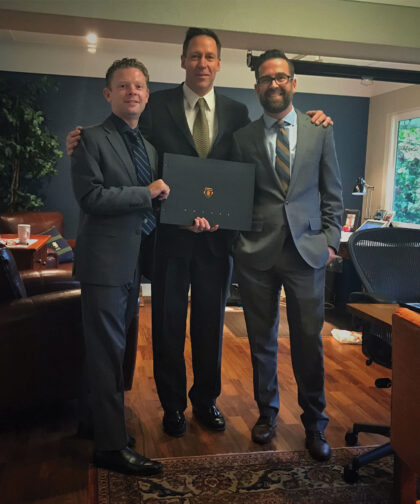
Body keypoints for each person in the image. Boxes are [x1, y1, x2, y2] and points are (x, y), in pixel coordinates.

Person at [66, 28, 332, 439]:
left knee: (210, 326)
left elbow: (245, 178)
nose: (202, 63)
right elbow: (132, 151)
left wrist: (317, 117)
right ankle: (172, 406)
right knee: (168, 326)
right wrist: (84, 139)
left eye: (209, 56)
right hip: (169, 239)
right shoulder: (156, 107)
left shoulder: (237, 114)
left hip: (217, 242)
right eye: (194, 56)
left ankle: (206, 400)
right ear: (183, 61)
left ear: (219, 63)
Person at [231, 49, 343, 461]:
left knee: (308, 342)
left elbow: (333, 193)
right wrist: (233, 241)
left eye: (281, 77)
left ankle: (315, 424)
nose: (273, 84)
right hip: (256, 253)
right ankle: (267, 415)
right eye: (265, 79)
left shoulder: (321, 132)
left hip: (307, 252)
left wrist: (331, 242)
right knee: (262, 340)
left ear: (293, 83)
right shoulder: (243, 138)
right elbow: (234, 197)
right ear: (256, 86)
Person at [71, 57, 169, 475]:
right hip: (103, 265)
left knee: (117, 352)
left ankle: (94, 423)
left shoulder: (146, 147)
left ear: (147, 95)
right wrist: (146, 192)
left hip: (132, 265)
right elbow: (90, 198)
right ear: (108, 93)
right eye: (124, 85)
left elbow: (153, 203)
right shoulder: (88, 139)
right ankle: (110, 448)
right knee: (108, 354)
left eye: (140, 86)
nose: (133, 91)